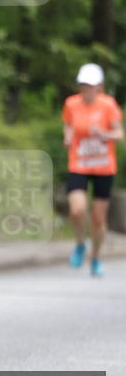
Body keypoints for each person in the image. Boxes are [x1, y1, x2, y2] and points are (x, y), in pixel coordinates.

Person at [62, 63, 123, 277]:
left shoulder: (108, 105)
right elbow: (68, 125)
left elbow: (119, 134)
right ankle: (80, 244)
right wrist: (67, 136)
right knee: (77, 210)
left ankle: (95, 258)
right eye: (83, 85)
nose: (86, 89)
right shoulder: (71, 104)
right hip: (79, 163)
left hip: (103, 166)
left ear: (99, 86)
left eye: (90, 85)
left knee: (98, 218)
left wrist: (104, 134)